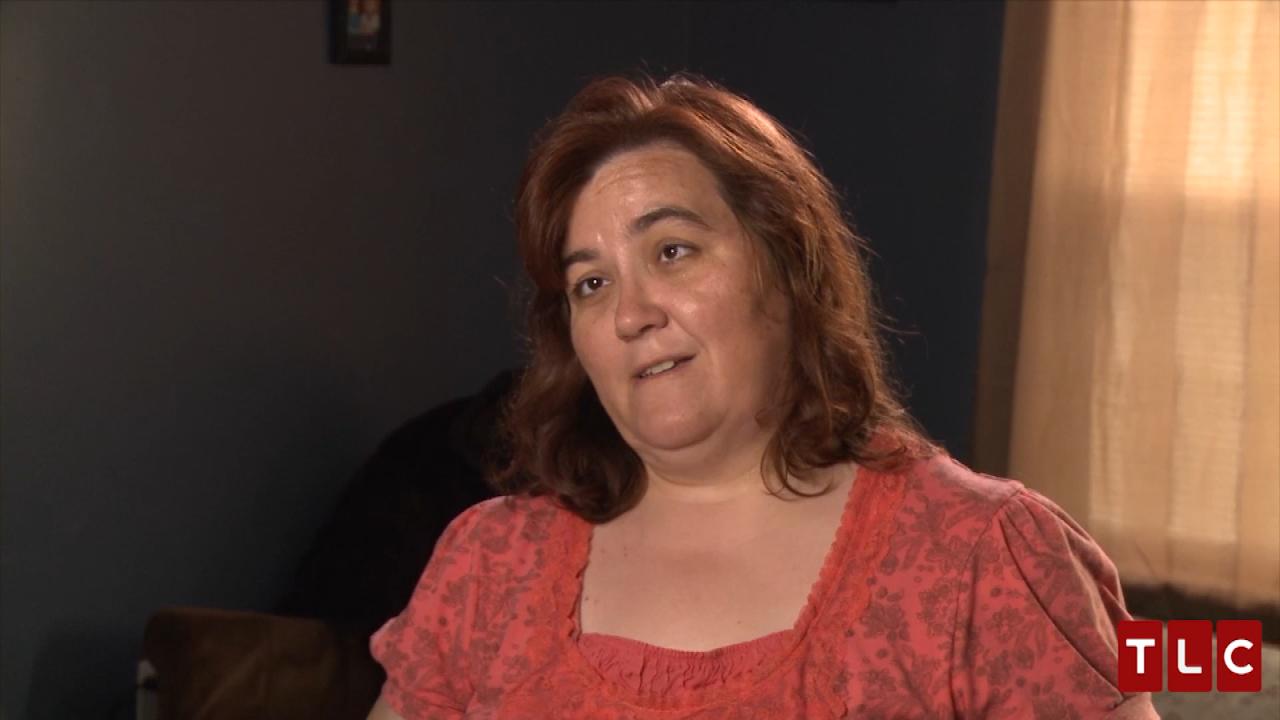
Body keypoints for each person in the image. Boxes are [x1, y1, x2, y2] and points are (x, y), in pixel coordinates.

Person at [366, 73, 1159, 719]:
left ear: (788, 265)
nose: (631, 315)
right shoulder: (488, 566)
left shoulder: (984, 554)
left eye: (672, 251)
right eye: (591, 284)